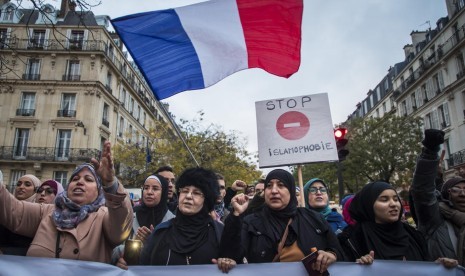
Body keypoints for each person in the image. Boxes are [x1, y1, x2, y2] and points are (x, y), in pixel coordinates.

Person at [0, 141, 133, 263]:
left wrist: (110, 183)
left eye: (88, 179)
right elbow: (11, 209)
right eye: (75, 179)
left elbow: (121, 226)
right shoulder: (46, 212)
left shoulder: (103, 217)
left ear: (99, 191)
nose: (80, 182)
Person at [219, 169, 341, 274]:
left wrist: (331, 255)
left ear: (291, 191)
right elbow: (231, 255)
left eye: (281, 185)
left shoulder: (314, 218)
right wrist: (236, 215)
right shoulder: (251, 221)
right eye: (269, 186)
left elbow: (338, 251)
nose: (274, 190)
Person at [140, 167, 233, 268]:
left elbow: (236, 263)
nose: (188, 196)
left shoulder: (219, 233)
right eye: (184, 191)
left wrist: (228, 263)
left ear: (207, 200)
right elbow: (143, 268)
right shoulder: (161, 232)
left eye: (196, 193)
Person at [339, 181, 430, 264]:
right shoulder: (352, 239)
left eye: (395, 199)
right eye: (384, 200)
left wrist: (437, 266)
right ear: (368, 205)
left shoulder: (413, 235)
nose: (393, 204)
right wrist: (358, 266)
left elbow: (425, 264)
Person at [410, 129, 463, 265]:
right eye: (457, 189)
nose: (463, 194)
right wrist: (430, 152)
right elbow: (422, 190)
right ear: (447, 194)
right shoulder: (435, 219)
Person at [113, 174, 175, 269]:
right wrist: (119, 260)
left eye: (155, 188)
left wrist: (152, 243)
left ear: (164, 192)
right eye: (146, 188)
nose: (149, 192)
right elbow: (112, 249)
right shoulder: (129, 216)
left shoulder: (172, 221)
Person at [0, 174, 41, 255]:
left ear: (35, 190)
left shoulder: (40, 212)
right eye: (18, 184)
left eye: (27, 184)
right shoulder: (5, 207)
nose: (21, 187)